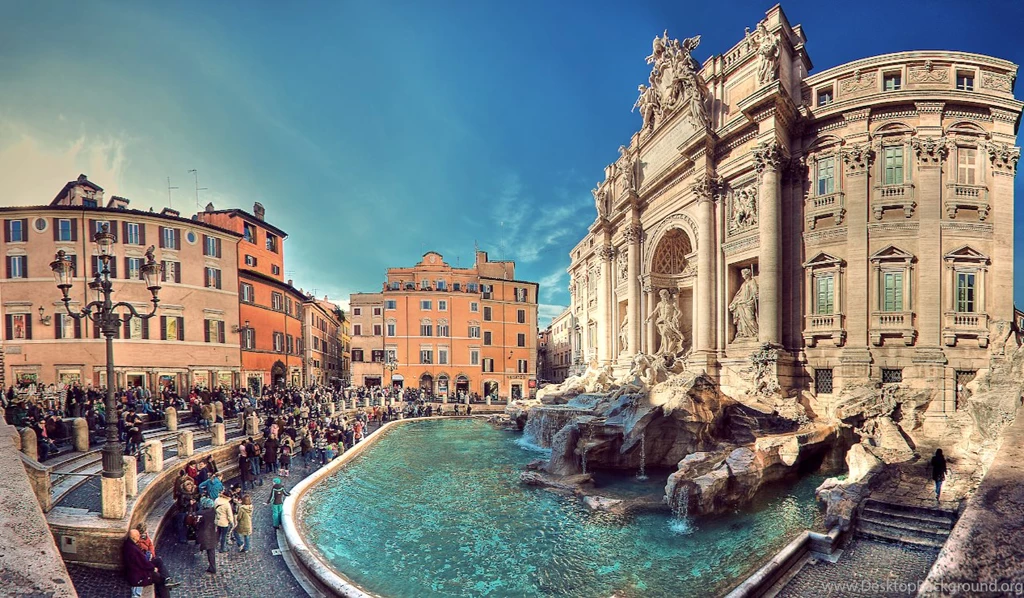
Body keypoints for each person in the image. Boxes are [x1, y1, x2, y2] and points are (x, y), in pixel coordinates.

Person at [123, 529, 171, 598]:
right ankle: (166, 586)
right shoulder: (133, 549)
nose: (139, 536)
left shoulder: (129, 544)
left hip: (139, 569)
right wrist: (153, 568)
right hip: (139, 576)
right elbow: (143, 564)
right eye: (138, 535)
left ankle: (168, 579)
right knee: (160, 579)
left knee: (158, 561)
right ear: (134, 537)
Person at [194, 502, 218, 574]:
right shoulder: (214, 512)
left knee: (210, 551)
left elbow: (197, 522)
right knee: (211, 551)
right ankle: (212, 566)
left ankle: (212, 567)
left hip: (206, 534)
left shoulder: (202, 513)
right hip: (213, 533)